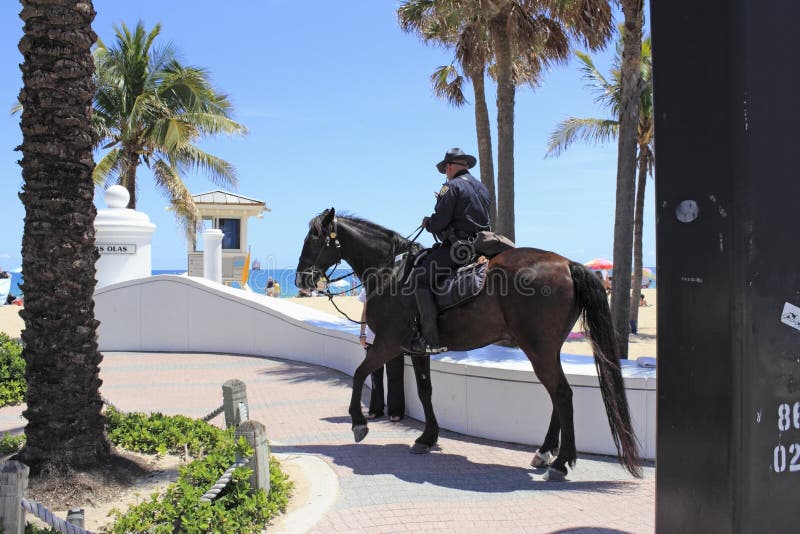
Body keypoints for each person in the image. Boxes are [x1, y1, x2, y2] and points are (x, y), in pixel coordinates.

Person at [403, 148, 491, 355]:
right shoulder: (482, 188)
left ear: (449, 167)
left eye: (445, 170)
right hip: (480, 247)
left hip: (457, 250)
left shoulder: (450, 187)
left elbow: (439, 222)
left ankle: (431, 340)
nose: (446, 173)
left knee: (419, 280)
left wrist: (429, 222)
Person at [359, 287, 405, 421]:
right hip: (372, 339)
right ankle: (376, 409)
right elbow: (365, 311)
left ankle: (396, 411)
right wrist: (362, 333)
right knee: (375, 376)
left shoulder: (396, 287)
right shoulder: (368, 287)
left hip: (393, 340)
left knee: (395, 375)